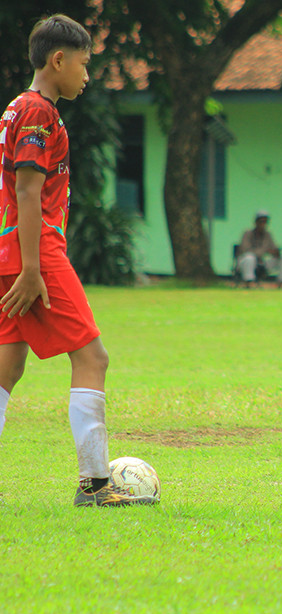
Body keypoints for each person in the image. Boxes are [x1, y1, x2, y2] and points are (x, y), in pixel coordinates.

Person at [0, 15, 156, 506]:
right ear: (58, 60)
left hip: (9, 249)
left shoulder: (13, 109)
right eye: (85, 65)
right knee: (92, 357)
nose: (88, 75)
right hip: (36, 253)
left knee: (6, 368)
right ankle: (95, 484)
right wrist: (31, 269)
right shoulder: (38, 112)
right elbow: (27, 190)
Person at [236, 210, 282, 286]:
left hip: (261, 263)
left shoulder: (268, 234)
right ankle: (249, 282)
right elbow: (246, 250)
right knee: (250, 258)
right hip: (245, 263)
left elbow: (273, 247)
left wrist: (275, 252)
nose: (263, 224)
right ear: (256, 222)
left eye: (265, 222)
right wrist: (264, 251)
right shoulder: (247, 233)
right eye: (261, 221)